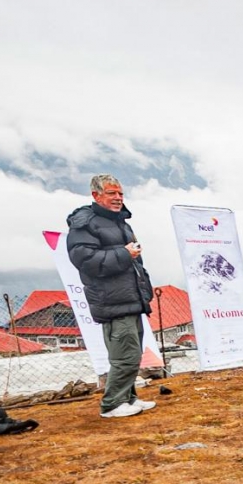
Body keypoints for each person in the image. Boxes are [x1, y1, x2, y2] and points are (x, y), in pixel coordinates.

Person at [66, 174, 157, 419]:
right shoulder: (85, 224)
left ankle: (128, 398)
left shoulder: (121, 223)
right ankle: (112, 404)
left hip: (130, 298)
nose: (118, 198)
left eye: (120, 193)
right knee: (124, 355)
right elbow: (86, 261)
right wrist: (125, 254)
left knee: (132, 353)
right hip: (112, 300)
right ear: (96, 195)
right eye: (111, 193)